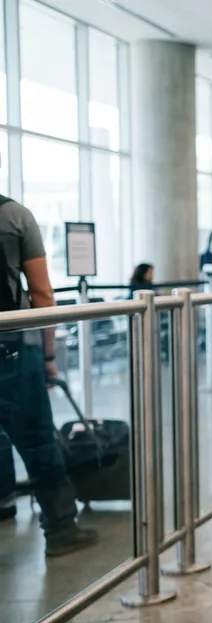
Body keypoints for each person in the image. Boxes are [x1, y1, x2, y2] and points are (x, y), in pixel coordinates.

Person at [0, 193, 99, 555]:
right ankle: (60, 528)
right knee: (38, 439)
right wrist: (48, 355)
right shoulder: (15, 216)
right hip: (11, 349)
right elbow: (42, 294)